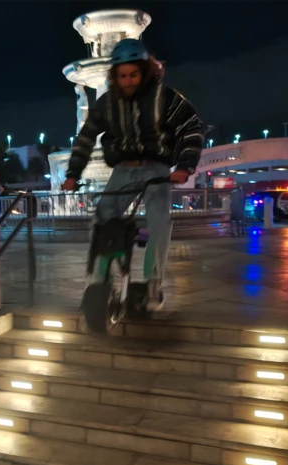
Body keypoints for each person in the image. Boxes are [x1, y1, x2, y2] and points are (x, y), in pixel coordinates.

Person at [61, 38, 204, 312]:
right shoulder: (107, 103)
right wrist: (72, 174)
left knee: (159, 222)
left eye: (133, 75)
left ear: (144, 70)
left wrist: (184, 166)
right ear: (115, 76)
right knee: (101, 219)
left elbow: (191, 128)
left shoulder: (166, 98)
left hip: (157, 169)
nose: (127, 81)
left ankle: (153, 284)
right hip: (123, 170)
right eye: (122, 76)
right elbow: (86, 137)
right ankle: (97, 280)